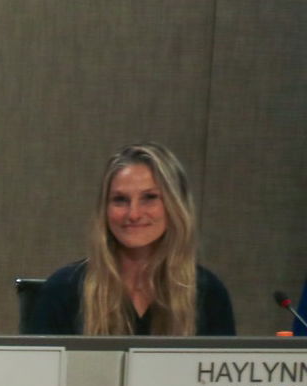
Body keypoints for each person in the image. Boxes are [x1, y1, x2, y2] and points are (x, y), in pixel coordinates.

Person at [28, 142, 235, 336]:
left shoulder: (208, 293)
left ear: (175, 205)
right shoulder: (63, 290)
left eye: (149, 198)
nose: (133, 214)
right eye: (120, 200)